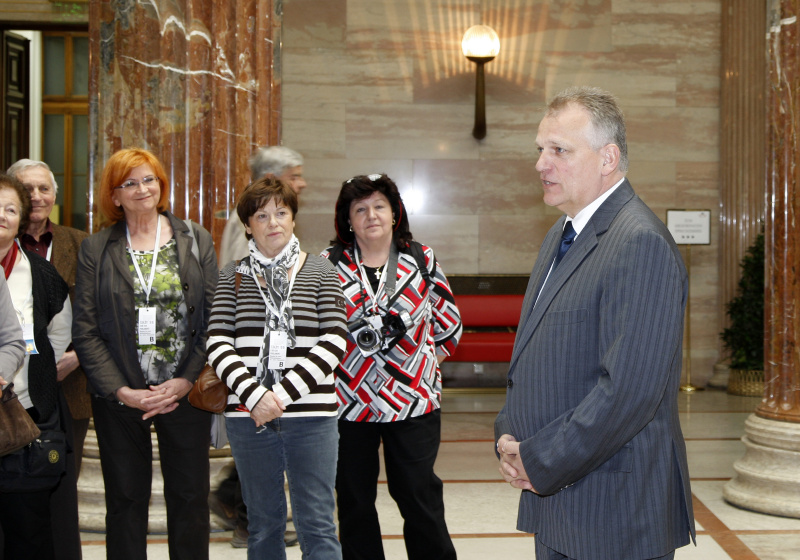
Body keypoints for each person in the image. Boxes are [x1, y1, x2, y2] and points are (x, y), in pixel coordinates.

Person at [494, 86, 696, 560]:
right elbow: (538, 352)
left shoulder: (639, 242)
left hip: (613, 509)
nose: (541, 164)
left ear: (608, 158)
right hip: (558, 499)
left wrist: (540, 459)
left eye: (559, 150)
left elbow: (628, 392)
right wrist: (510, 435)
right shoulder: (560, 234)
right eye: (540, 149)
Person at [72, 148, 218, 560]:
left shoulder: (195, 238)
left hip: (183, 392)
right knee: (124, 500)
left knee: (190, 499)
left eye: (149, 179)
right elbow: (85, 330)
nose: (142, 189)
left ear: (161, 184)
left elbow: (214, 318)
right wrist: (122, 391)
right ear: (114, 196)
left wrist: (186, 380)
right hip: (121, 395)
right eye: (130, 183)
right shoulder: (96, 248)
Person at [323, 174, 462, 560]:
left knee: (419, 496)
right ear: (347, 219)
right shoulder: (328, 264)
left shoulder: (421, 257)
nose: (371, 215)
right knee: (354, 501)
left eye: (379, 206)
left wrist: (420, 366)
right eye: (360, 209)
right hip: (349, 403)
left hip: (412, 401)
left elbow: (449, 325)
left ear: (395, 213)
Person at [206, 177, 346, 559]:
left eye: (281, 213)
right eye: (262, 216)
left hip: (312, 418)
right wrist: (255, 397)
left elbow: (334, 341)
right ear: (247, 225)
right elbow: (218, 343)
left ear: (293, 218)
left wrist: (278, 397)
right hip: (249, 418)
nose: (273, 223)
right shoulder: (231, 275)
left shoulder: (321, 271)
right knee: (263, 525)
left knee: (318, 524)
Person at [213, 144, 306, 548]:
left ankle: (235, 505)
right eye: (294, 175)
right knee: (258, 440)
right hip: (255, 359)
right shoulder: (248, 226)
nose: (302, 183)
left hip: (275, 356)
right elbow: (247, 290)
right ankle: (247, 520)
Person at [7, 158, 89, 560]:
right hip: (14, 388)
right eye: (27, 190)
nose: (36, 196)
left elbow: (89, 315)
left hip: (59, 389)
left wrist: (71, 357)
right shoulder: (9, 243)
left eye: (44, 188)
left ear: (55, 195)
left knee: (53, 492)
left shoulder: (81, 243)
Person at [218, 146, 307, 266]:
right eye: (293, 177)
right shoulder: (250, 215)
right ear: (270, 179)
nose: (302, 184)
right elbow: (245, 271)